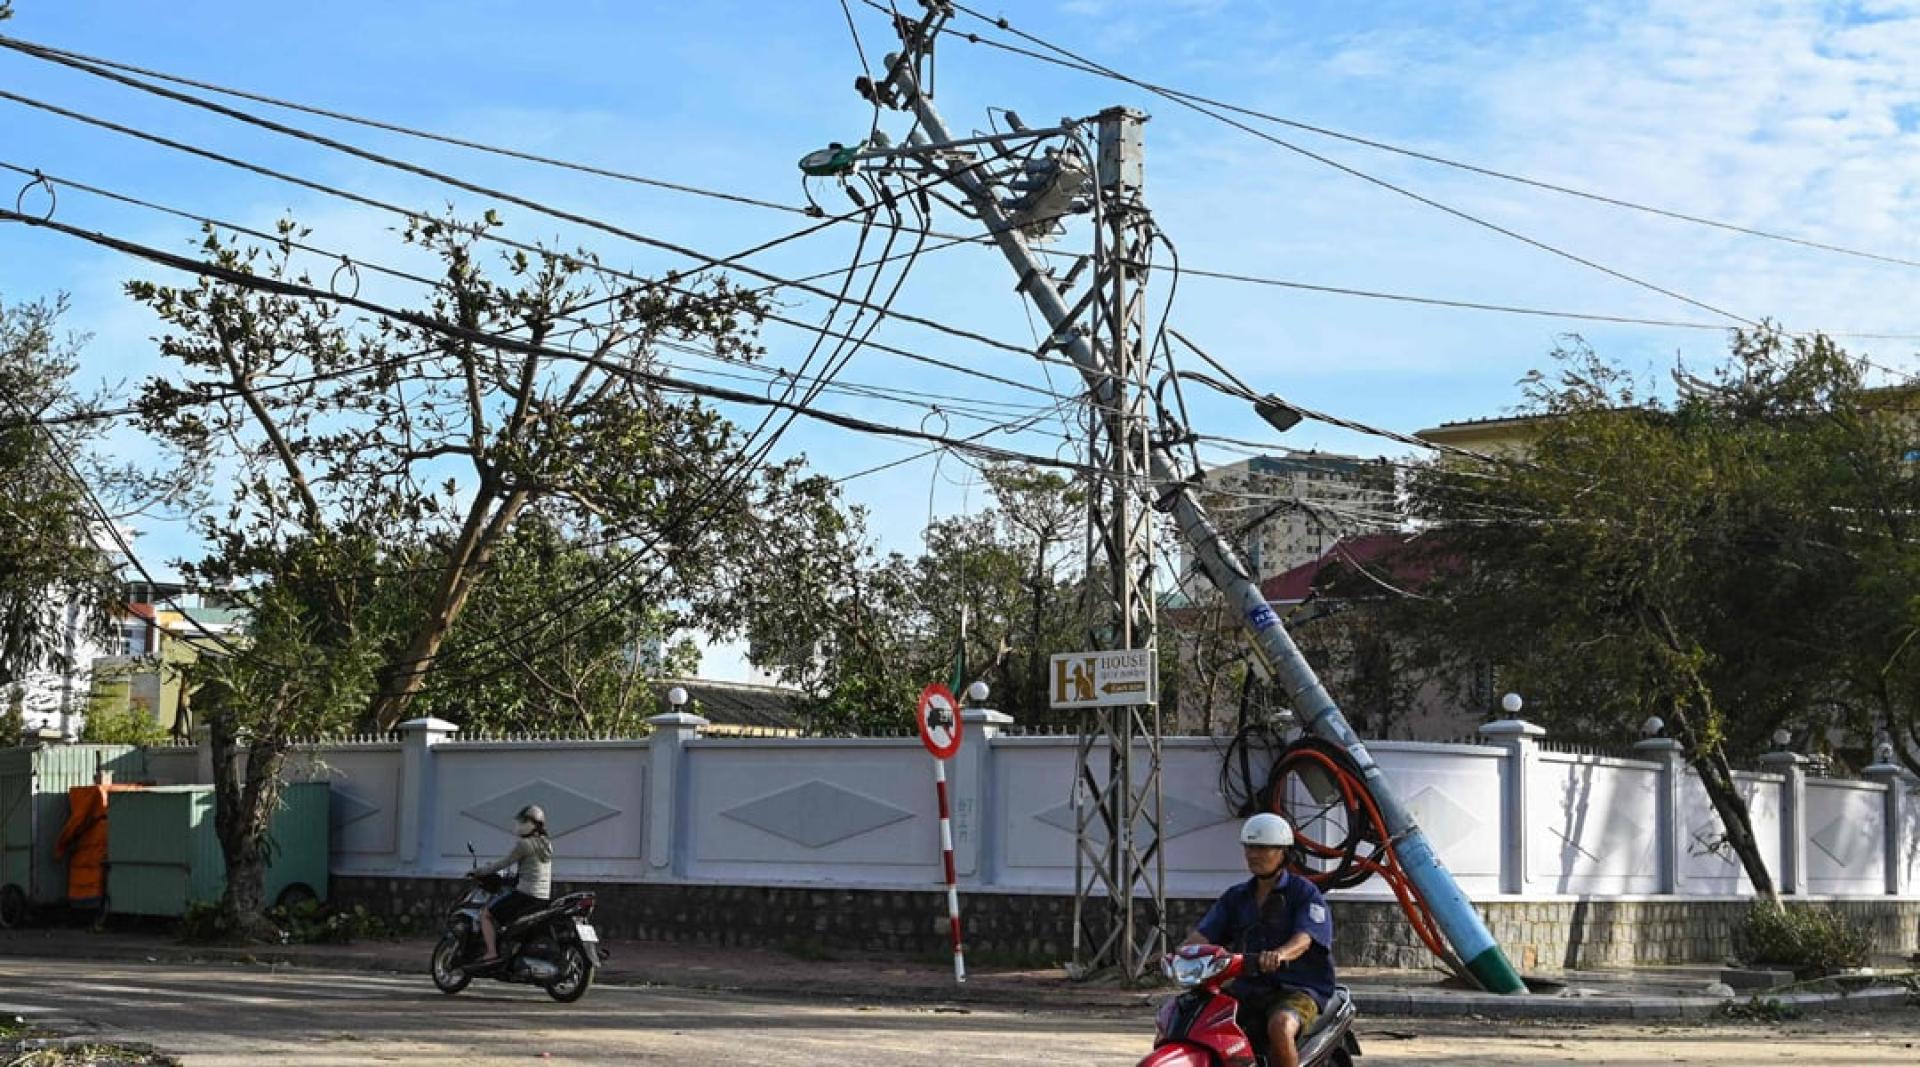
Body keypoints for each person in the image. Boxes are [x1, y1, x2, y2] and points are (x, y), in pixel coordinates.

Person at [1181, 813, 1335, 1067]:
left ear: (1283, 852)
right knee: (1201, 1019)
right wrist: (1176, 955)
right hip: (1249, 988)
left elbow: (1305, 938)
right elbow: (1203, 935)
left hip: (1297, 988)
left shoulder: (1304, 892)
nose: (1253, 854)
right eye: (1250, 847)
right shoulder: (1237, 897)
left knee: (1280, 1026)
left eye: (1262, 848)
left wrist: (1281, 954)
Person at [470, 804, 553, 968]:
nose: (519, 825)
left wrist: (480, 871)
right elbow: (532, 870)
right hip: (542, 897)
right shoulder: (547, 845)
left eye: (523, 821)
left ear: (531, 824)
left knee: (486, 914)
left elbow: (504, 862)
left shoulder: (525, 845)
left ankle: (491, 953)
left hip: (526, 895)